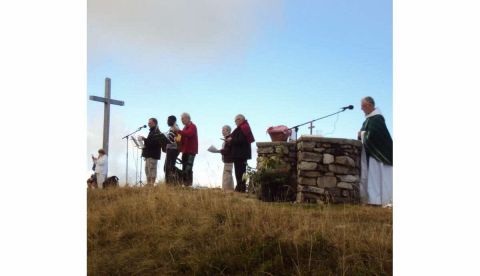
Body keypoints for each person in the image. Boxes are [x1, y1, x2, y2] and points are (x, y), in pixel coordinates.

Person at [358, 96, 393, 207]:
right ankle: (373, 200)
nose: (361, 109)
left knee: (376, 177)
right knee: (373, 177)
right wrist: (361, 134)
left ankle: (377, 201)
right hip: (371, 152)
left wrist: (361, 134)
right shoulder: (370, 119)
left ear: (370, 105)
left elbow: (374, 135)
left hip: (379, 154)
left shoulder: (377, 119)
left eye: (363, 106)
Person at [227, 114, 255, 193]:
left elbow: (241, 140)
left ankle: (241, 188)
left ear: (240, 119)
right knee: (240, 171)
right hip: (239, 153)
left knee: (241, 172)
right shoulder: (242, 127)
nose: (235, 122)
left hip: (241, 154)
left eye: (236, 120)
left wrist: (230, 140)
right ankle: (240, 187)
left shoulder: (244, 127)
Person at [208, 125, 235, 191]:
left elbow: (227, 150)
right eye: (222, 130)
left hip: (229, 160)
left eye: (223, 130)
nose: (222, 131)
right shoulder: (227, 139)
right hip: (228, 159)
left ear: (228, 131)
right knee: (228, 175)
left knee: (226, 175)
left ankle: (226, 190)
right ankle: (230, 189)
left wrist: (218, 151)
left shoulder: (229, 139)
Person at [139, 118, 162, 186]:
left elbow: (154, 143)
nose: (148, 124)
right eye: (148, 123)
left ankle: (151, 184)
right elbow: (150, 142)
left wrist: (144, 139)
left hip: (153, 154)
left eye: (150, 123)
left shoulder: (156, 132)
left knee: (151, 169)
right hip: (149, 154)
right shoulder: (152, 131)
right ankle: (149, 184)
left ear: (154, 123)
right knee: (147, 170)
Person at [177, 112, 198, 186]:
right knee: (184, 167)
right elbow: (181, 138)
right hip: (185, 151)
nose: (181, 120)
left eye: (183, 119)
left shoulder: (193, 126)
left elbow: (189, 134)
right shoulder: (184, 128)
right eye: (181, 119)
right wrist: (176, 138)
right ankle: (185, 183)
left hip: (191, 151)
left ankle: (188, 184)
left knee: (188, 167)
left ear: (188, 118)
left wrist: (178, 131)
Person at [164, 115, 180, 184]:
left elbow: (179, 139)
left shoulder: (176, 127)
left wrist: (176, 134)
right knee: (167, 167)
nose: (167, 122)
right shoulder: (171, 128)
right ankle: (171, 182)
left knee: (169, 167)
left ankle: (170, 183)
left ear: (173, 121)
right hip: (170, 149)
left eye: (168, 120)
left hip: (173, 150)